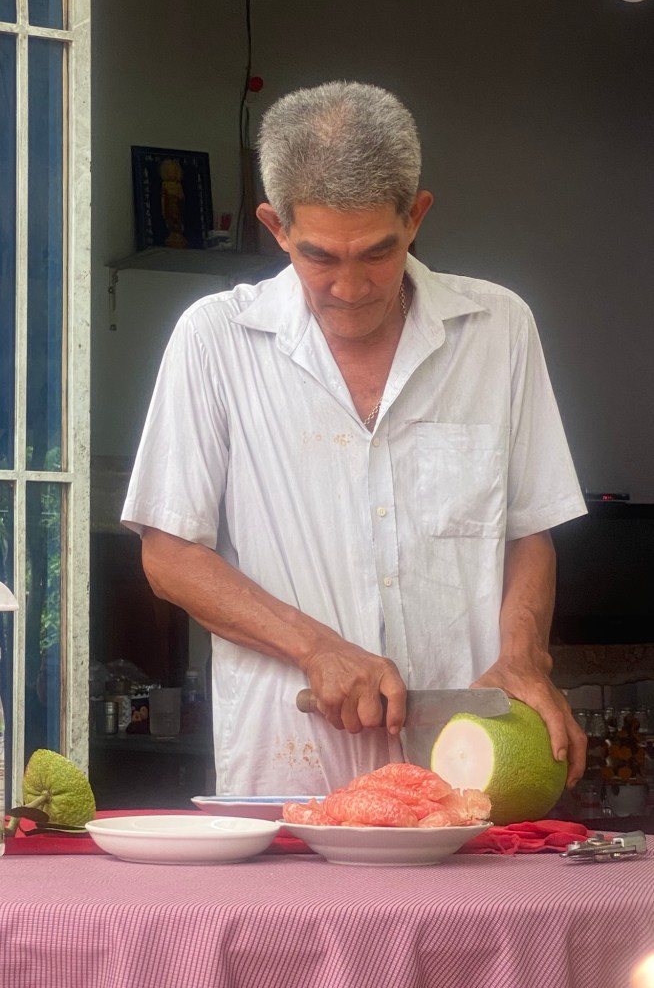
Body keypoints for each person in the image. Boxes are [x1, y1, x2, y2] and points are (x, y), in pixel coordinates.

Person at [122, 81, 588, 796]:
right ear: (276, 227)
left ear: (416, 216)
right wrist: (317, 648)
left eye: (377, 253)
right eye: (319, 257)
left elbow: (530, 529)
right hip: (287, 773)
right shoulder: (215, 339)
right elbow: (169, 556)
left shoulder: (499, 329)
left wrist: (523, 655)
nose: (350, 286)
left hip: (468, 770)